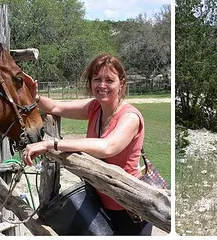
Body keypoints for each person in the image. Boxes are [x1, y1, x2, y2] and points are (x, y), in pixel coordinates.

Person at [21, 53, 152, 236]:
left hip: (128, 206)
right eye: (97, 79)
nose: (102, 85)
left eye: (109, 80)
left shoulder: (130, 116)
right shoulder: (95, 108)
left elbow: (108, 146)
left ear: (121, 83)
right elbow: (55, 107)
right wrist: (34, 97)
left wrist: (52, 144)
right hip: (99, 201)